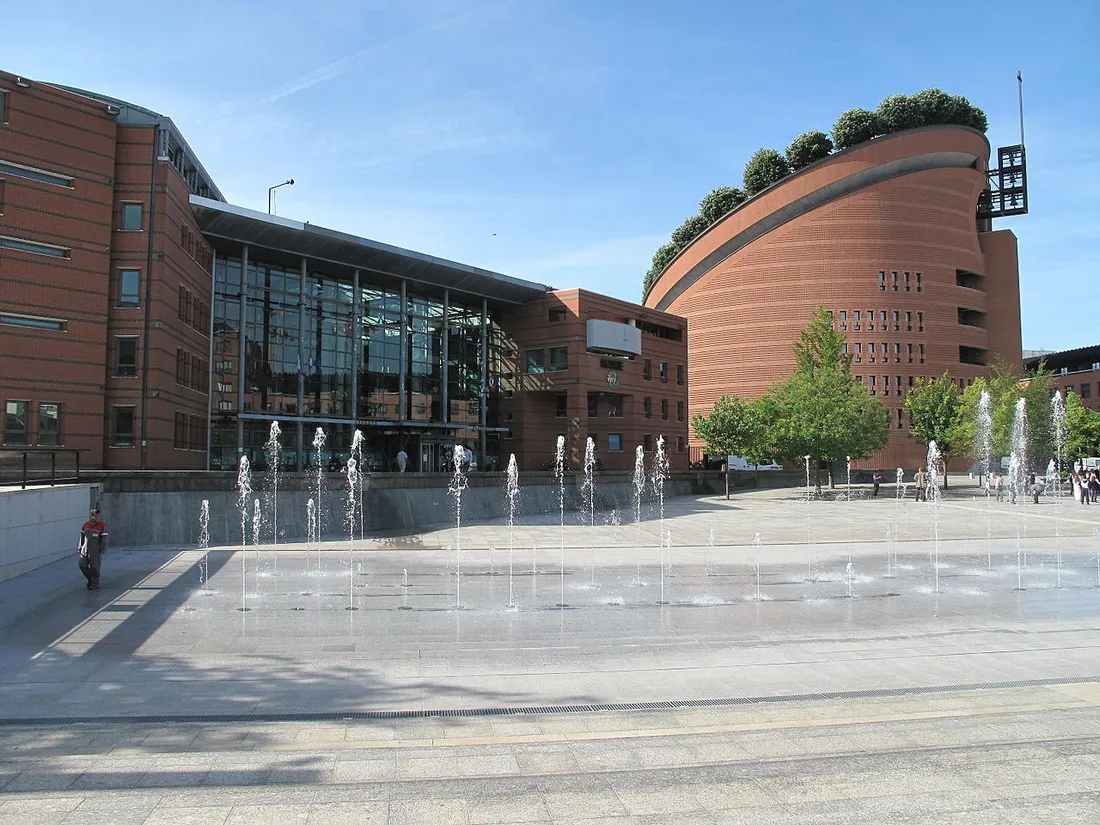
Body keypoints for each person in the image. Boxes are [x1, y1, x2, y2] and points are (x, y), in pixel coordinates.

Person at [78, 507, 109, 590]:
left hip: (95, 550)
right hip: (85, 549)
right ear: (91, 516)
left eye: (98, 516)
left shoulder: (102, 526)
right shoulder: (85, 525)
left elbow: (104, 539)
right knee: (82, 564)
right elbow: (82, 537)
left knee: (94, 567)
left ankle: (95, 583)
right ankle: (90, 579)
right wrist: (80, 546)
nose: (98, 518)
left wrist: (103, 548)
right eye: (96, 516)